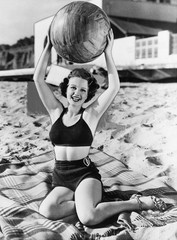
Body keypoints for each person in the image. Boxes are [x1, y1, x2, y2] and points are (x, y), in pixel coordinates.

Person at [33, 27, 167, 229]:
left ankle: (134, 203)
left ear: (88, 94)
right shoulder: (55, 112)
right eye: (73, 87)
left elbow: (113, 87)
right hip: (61, 177)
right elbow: (37, 78)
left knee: (89, 218)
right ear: (65, 88)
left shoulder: (90, 114)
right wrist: (49, 47)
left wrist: (108, 52)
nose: (77, 93)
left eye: (83, 90)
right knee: (47, 211)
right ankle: (88, 205)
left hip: (84, 175)